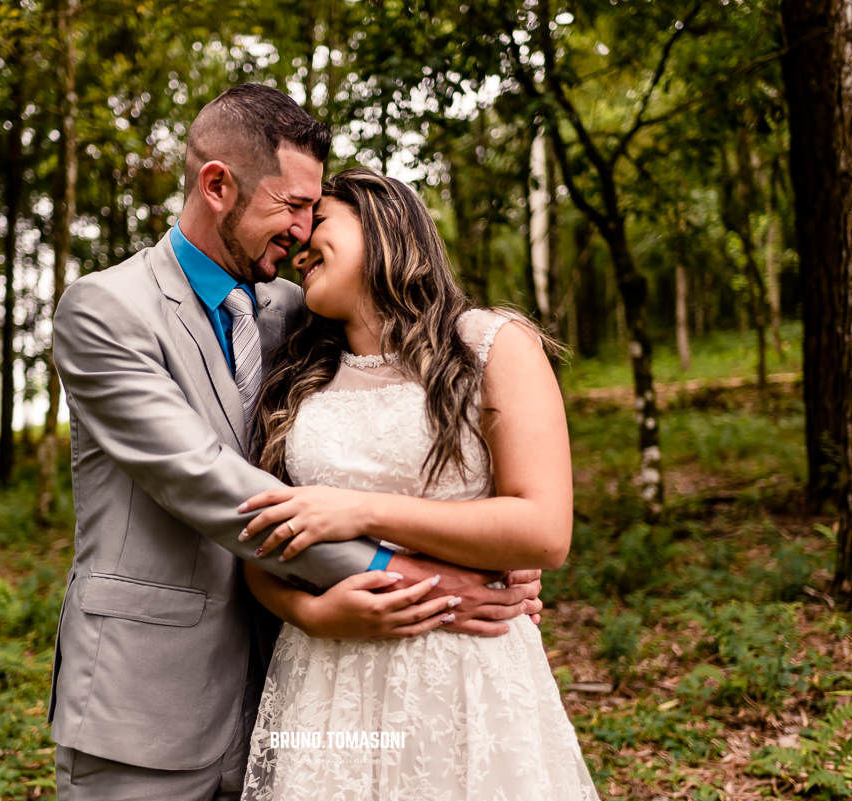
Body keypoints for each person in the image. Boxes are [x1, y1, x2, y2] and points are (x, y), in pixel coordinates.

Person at [49, 84, 544, 801]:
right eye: (294, 205)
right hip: (146, 697)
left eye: (316, 210)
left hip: (294, 687)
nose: (307, 229)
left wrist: (494, 548)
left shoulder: (295, 305)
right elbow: (206, 480)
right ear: (217, 185)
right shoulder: (105, 310)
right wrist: (426, 577)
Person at [236, 168, 601, 800]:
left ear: (383, 222)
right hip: (327, 678)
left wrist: (359, 512)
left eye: (319, 219)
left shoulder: (490, 344)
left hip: (466, 670)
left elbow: (544, 532)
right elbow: (258, 548)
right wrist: (314, 614)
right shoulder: (296, 378)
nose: (299, 241)